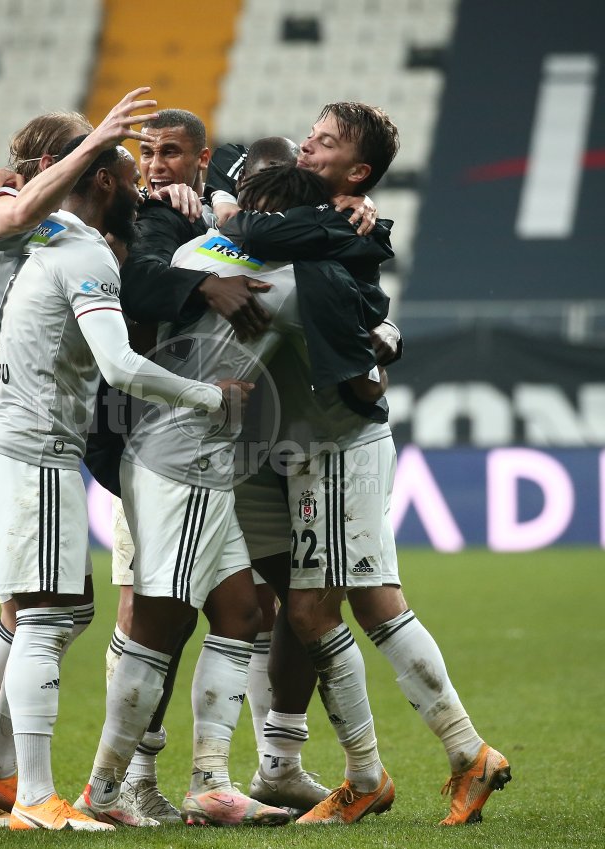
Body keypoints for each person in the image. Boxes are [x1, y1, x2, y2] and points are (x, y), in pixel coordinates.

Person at [225, 103, 512, 827]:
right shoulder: (339, 227)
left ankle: (380, 772)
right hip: (312, 450)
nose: (307, 148)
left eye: (324, 143)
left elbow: (358, 343)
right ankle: (458, 753)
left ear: (357, 171)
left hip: (334, 446)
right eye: (310, 136)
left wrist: (372, 347)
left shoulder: (323, 244)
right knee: (366, 601)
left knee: (319, 609)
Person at [0, 135, 246, 831]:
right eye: (131, 178)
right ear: (101, 183)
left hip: (25, 442)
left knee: (60, 613)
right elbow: (119, 366)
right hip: (34, 446)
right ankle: (33, 795)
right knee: (44, 619)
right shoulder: (85, 249)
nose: (142, 190)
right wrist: (209, 397)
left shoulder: (40, 234)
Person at [79, 163, 363, 830]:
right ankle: (104, 788)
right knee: (156, 628)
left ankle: (210, 782)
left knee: (240, 612)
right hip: (179, 462)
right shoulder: (287, 284)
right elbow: (348, 359)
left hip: (193, 460)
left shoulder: (192, 254)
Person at [0, 89, 159, 829]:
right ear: (55, 163)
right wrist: (93, 144)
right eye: (82, 159)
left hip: (15, 435)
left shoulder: (55, 231)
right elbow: (15, 211)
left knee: (54, 608)